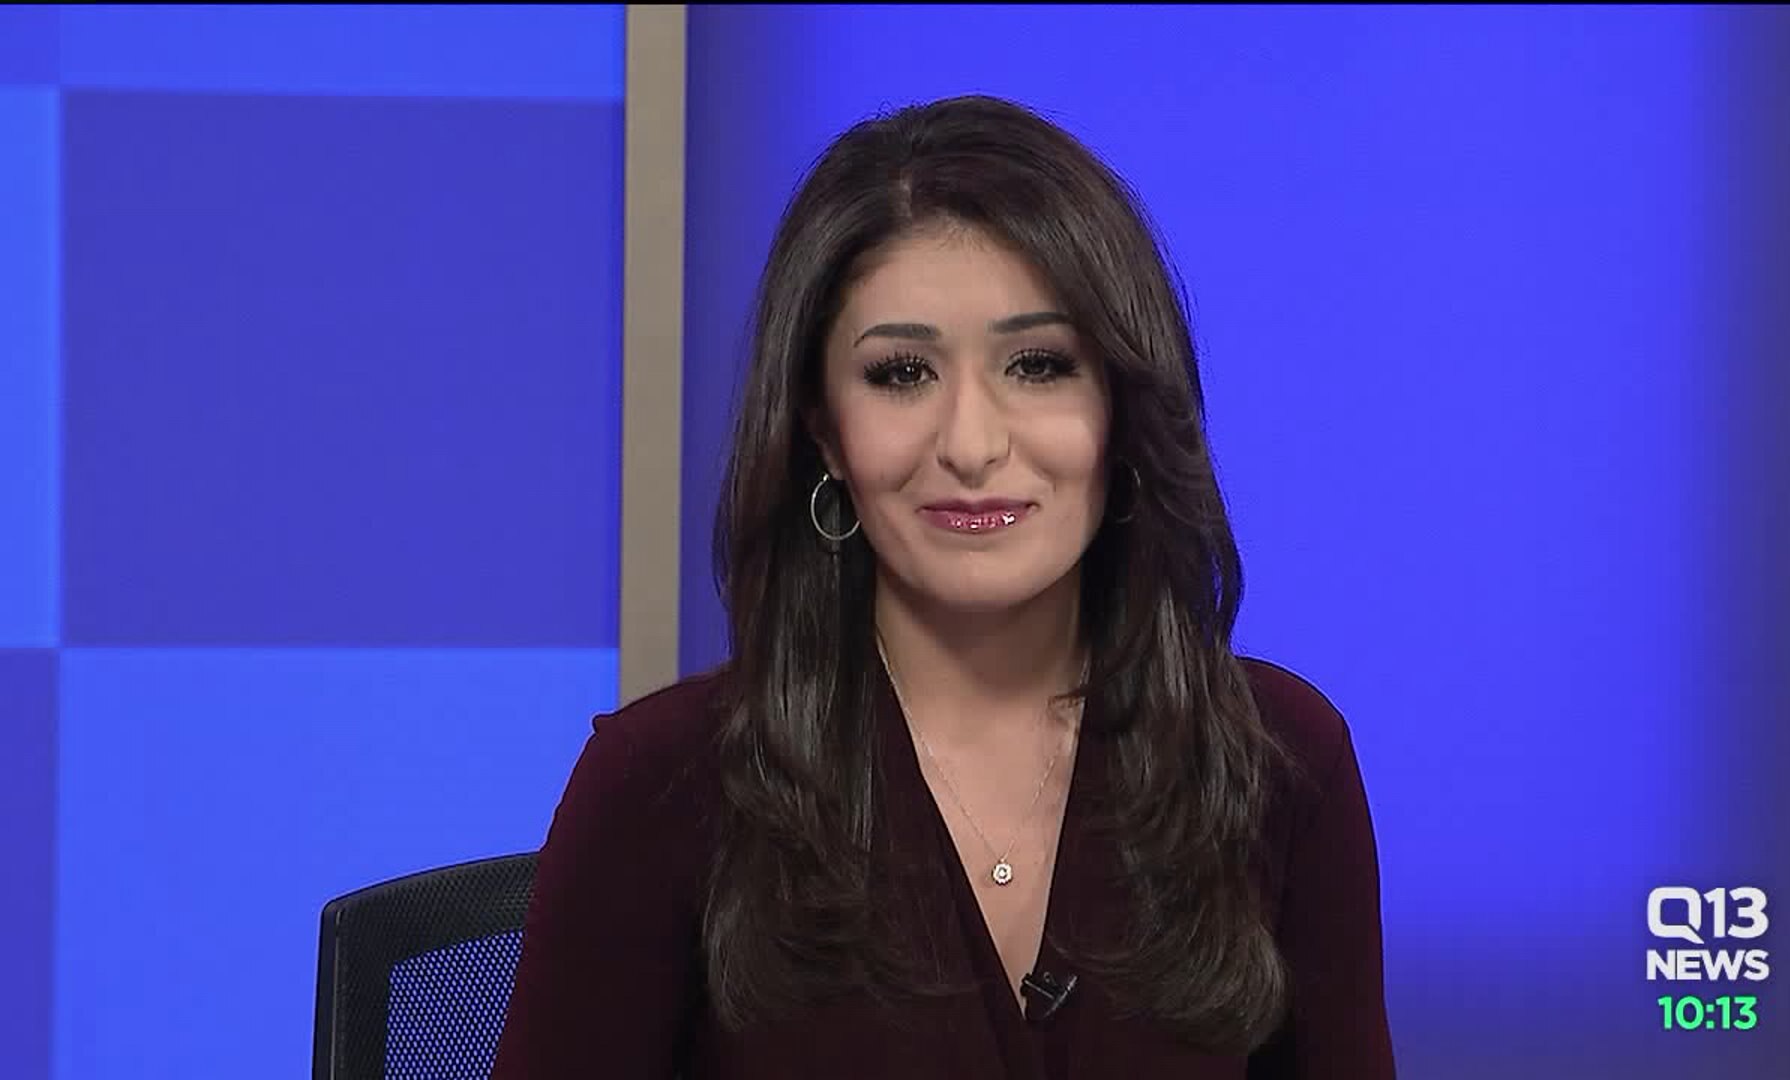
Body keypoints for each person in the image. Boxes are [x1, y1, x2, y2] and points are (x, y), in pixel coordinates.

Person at [491, 94, 1395, 1079]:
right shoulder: (659, 786)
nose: (970, 444)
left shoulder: (1279, 764)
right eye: (901, 373)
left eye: (1038, 365)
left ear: (1124, 409)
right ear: (823, 430)